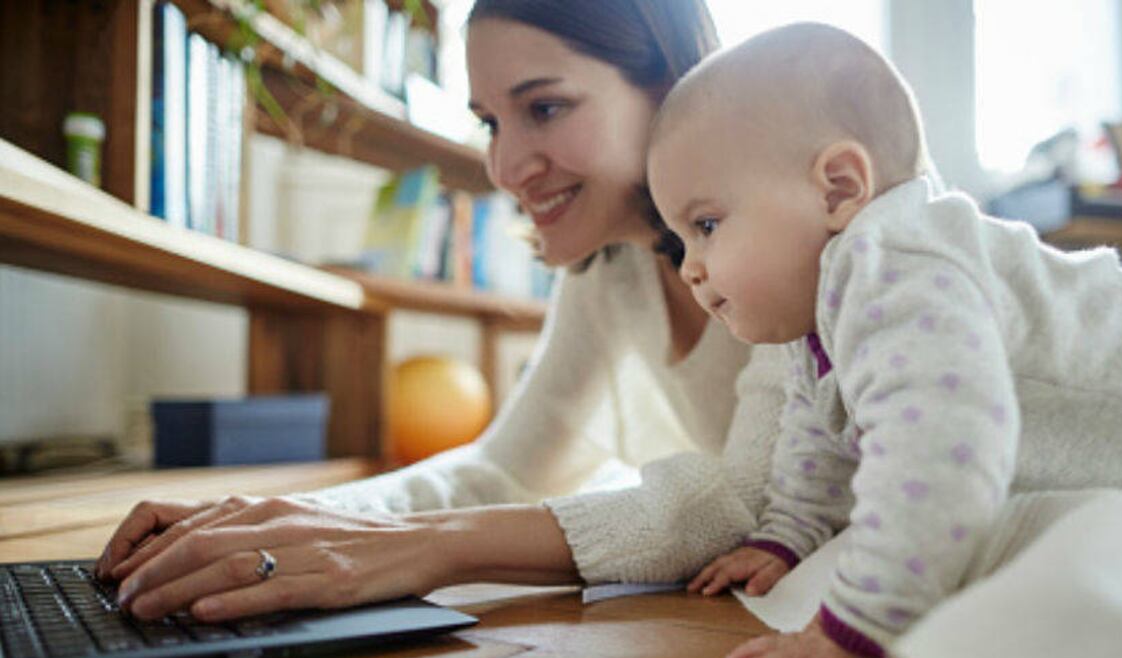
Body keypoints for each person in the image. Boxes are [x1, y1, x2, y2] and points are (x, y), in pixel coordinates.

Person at [94, 0, 788, 625]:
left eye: (544, 108)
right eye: (489, 122)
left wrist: (428, 549)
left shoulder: (797, 242)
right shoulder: (610, 271)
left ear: (669, 87)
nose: (505, 165)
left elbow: (748, 505)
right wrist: (298, 519)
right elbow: (503, 470)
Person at [646, 22, 1122, 658]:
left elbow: (941, 448)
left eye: (707, 226)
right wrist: (788, 534)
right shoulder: (827, 317)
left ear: (838, 189)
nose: (690, 268)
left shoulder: (900, 265)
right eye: (683, 240)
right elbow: (820, 441)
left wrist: (860, 619)